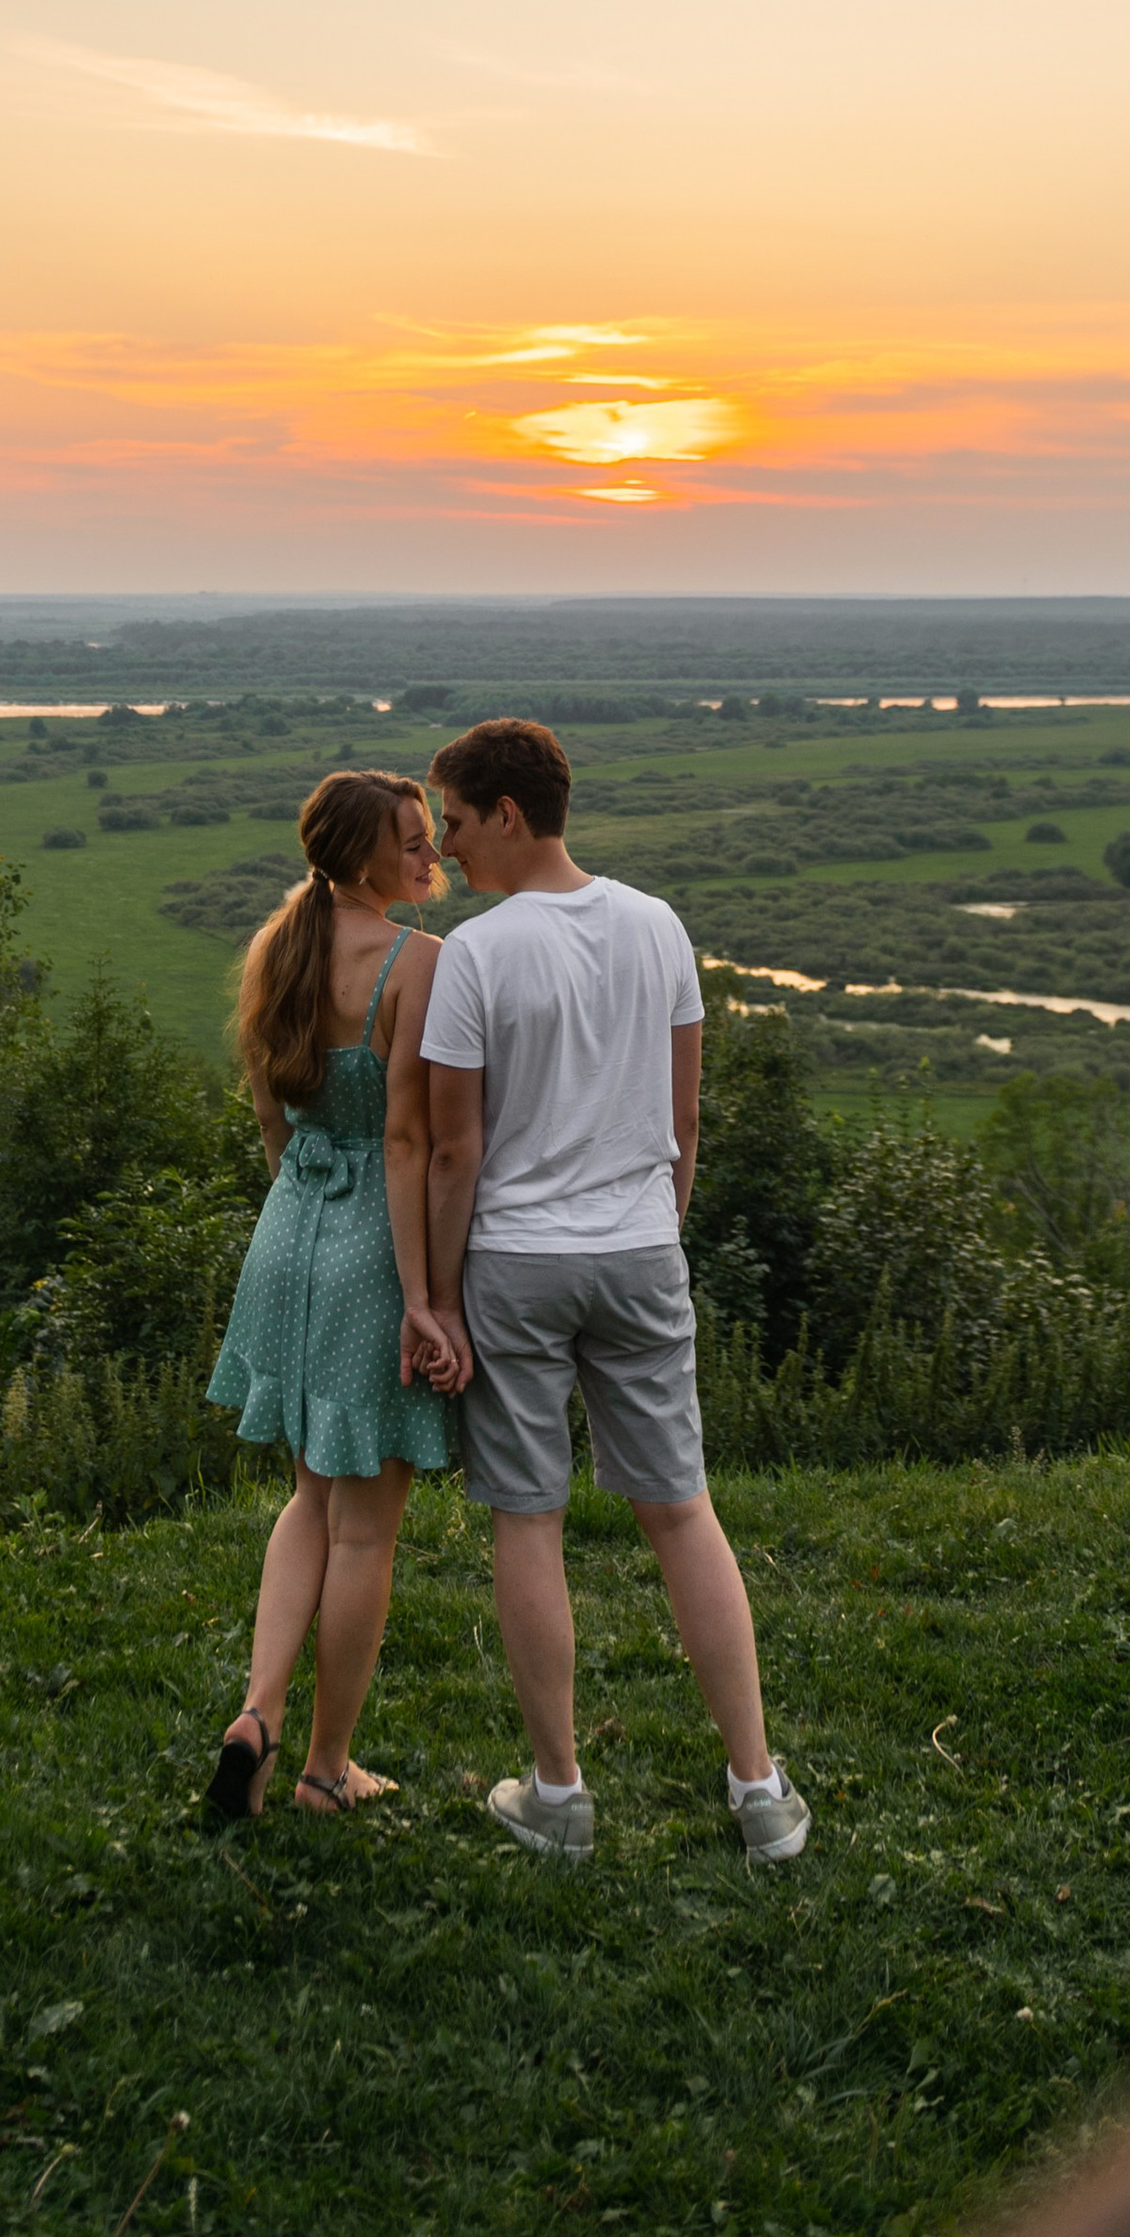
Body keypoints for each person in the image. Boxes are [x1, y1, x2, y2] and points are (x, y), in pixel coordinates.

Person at [418, 716, 810, 1866]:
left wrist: (435, 1298)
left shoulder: (478, 955)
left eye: (452, 822)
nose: (444, 850)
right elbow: (682, 1122)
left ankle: (558, 1797)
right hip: (641, 1250)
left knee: (526, 1518)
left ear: (505, 813)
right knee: (681, 1511)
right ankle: (759, 1793)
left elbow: (452, 1154)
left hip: (516, 1264)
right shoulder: (658, 926)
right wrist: (656, 1230)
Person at [201, 769, 467, 1823]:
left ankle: (255, 1716)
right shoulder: (418, 962)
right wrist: (423, 1297)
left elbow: (268, 1110)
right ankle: (323, 1767)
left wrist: (297, 1197)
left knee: (308, 1497)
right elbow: (410, 1140)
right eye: (408, 843)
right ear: (362, 858)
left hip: (289, 1229)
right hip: (371, 1246)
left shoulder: (279, 945)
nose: (426, 856)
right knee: (364, 1528)